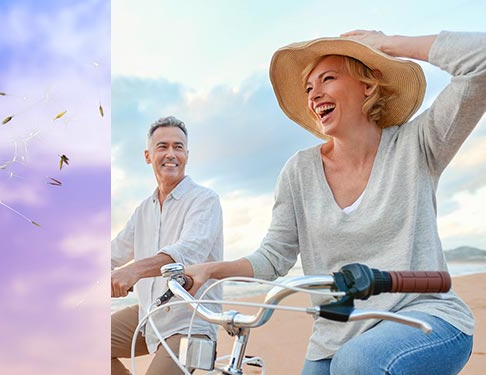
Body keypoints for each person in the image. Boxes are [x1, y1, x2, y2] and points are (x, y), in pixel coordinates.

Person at [186, 30, 486, 375]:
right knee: (348, 360)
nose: (315, 94)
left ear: (368, 85)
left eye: (328, 78)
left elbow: (480, 60)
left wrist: (386, 45)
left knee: (358, 362)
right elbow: (274, 255)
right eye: (309, 88)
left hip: (425, 317)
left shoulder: (418, 145)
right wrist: (212, 271)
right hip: (334, 334)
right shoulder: (299, 171)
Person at [111, 115, 224, 374]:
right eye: (162, 146)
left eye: (178, 147)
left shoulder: (205, 200)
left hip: (191, 321)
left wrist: (133, 271)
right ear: (148, 156)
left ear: (186, 154)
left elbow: (188, 252)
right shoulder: (143, 210)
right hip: (149, 315)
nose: (171, 153)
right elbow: (112, 254)